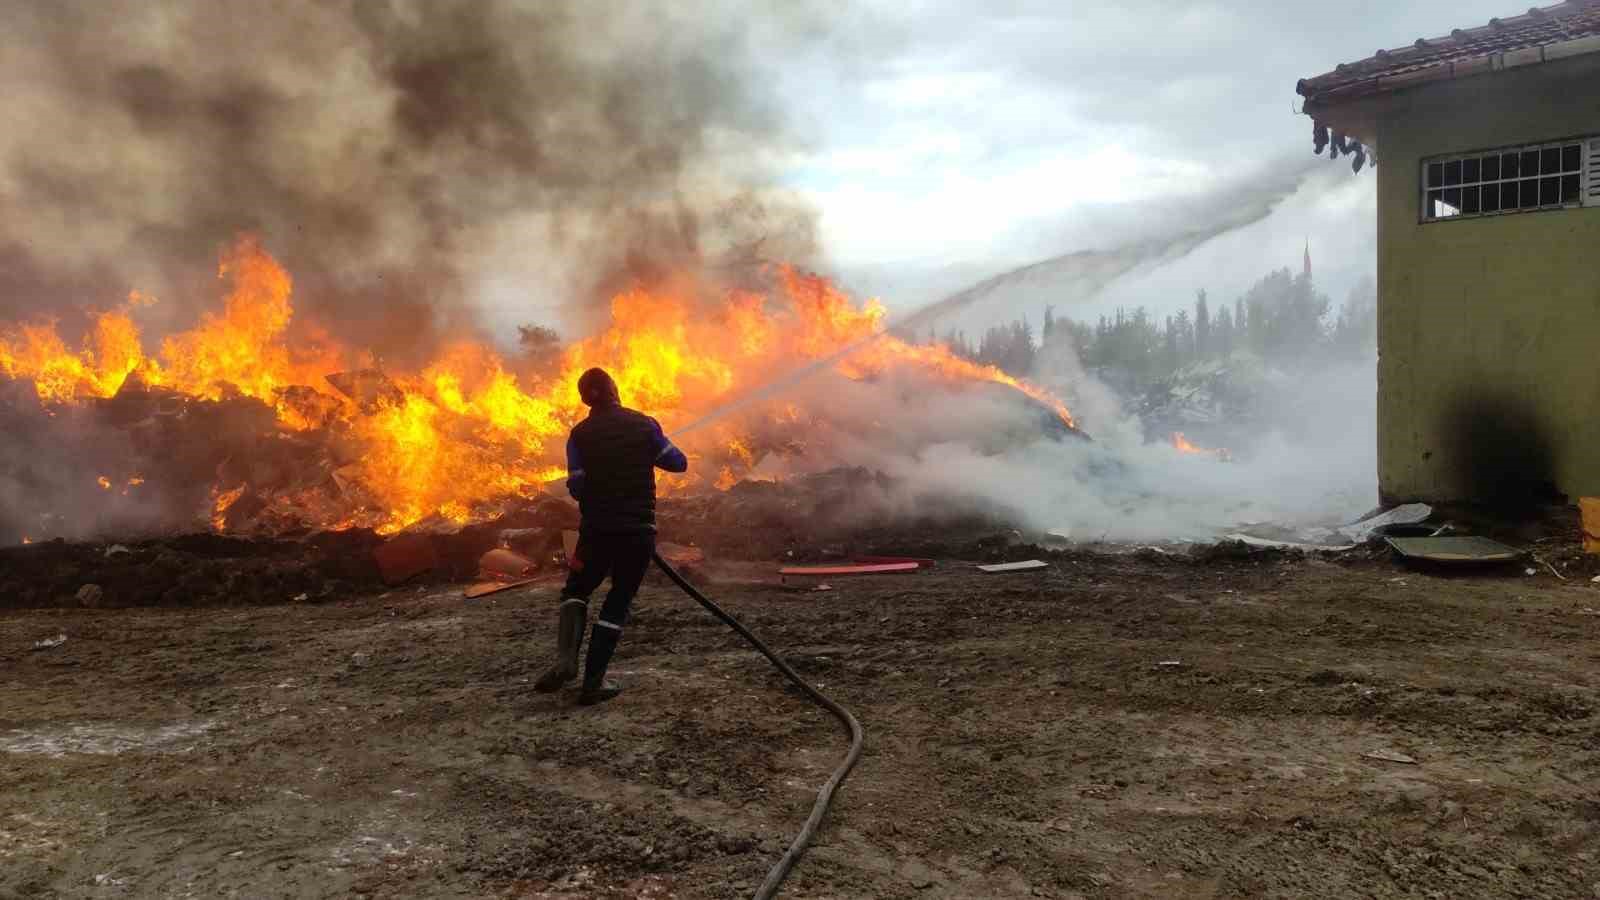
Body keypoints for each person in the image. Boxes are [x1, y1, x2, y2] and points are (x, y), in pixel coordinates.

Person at [535, 367, 688, 704]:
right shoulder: (644, 425)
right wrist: (652, 449)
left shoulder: (580, 435)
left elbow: (576, 485)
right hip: (638, 534)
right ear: (615, 390)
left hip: (597, 532)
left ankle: (565, 661)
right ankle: (593, 682)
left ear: (584, 399)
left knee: (576, 590)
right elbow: (678, 464)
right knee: (617, 601)